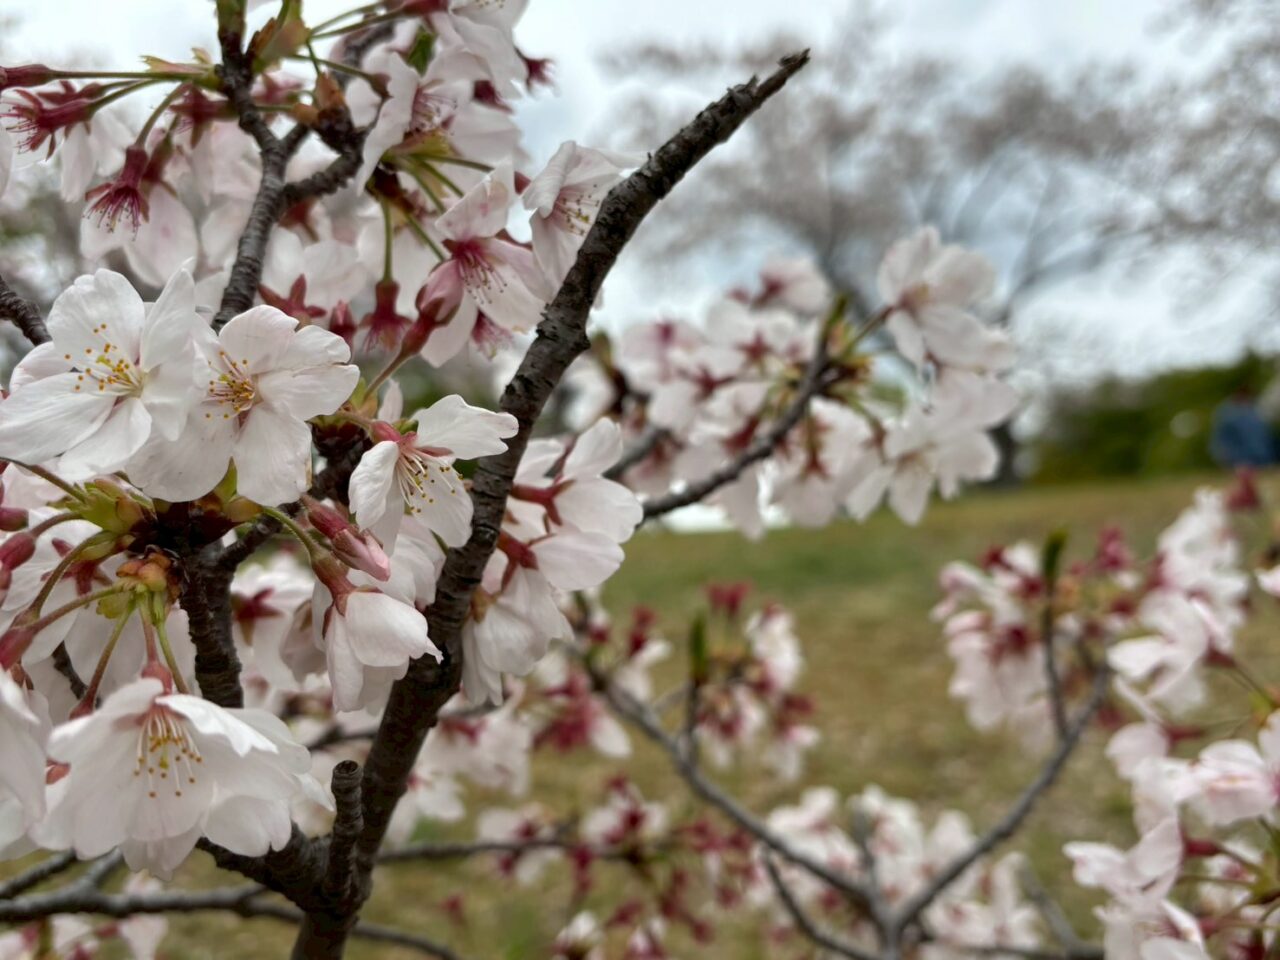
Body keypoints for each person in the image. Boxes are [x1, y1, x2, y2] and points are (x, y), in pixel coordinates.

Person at [1210, 387, 1276, 467]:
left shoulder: (1254, 412)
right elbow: (1222, 438)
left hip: (1258, 458)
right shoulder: (1227, 414)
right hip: (1237, 459)